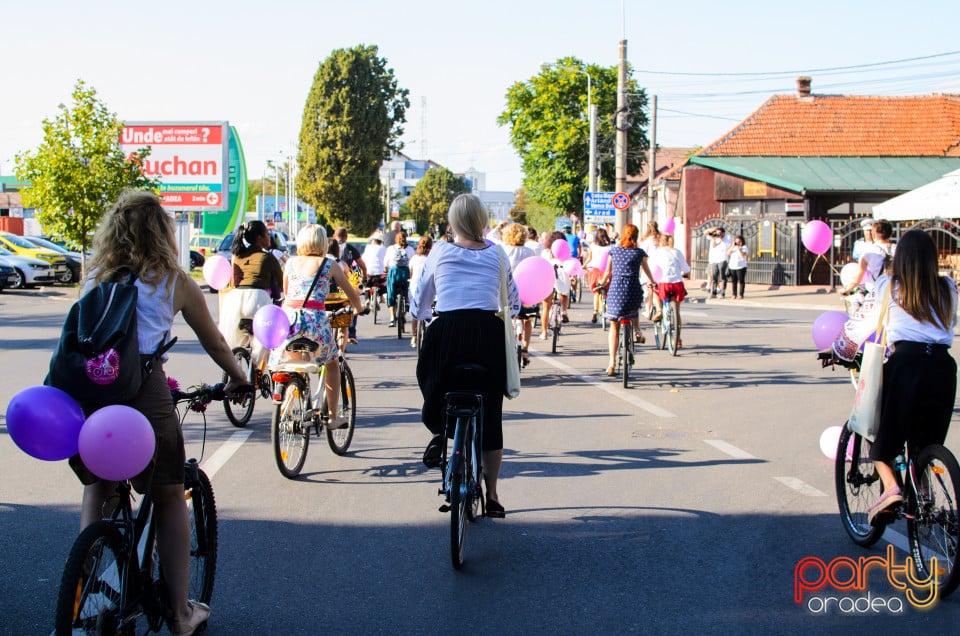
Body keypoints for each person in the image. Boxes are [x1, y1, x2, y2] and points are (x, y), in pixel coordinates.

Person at [74, 191, 248, 636]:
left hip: (89, 393)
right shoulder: (173, 281)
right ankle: (180, 614)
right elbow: (215, 343)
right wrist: (238, 378)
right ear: (163, 233)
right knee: (170, 494)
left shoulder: (95, 276)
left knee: (99, 485)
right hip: (143, 395)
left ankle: (84, 584)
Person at [832, 229, 957, 524]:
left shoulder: (889, 285)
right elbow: (948, 322)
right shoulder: (948, 287)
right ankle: (923, 498)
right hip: (942, 367)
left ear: (900, 258)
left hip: (906, 364)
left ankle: (890, 487)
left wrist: (840, 350)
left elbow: (859, 325)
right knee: (925, 445)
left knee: (880, 437)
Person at [411, 193, 519, 518]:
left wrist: (423, 312)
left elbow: (420, 299)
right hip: (487, 335)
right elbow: (512, 300)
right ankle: (494, 494)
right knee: (490, 414)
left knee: (431, 378)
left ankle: (438, 431)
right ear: (482, 220)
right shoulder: (498, 254)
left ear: (452, 222)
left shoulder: (440, 251)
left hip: (447, 332)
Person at [269, 225, 364, 428]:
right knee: (332, 363)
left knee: (293, 361)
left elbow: (288, 292)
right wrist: (358, 309)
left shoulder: (291, 263)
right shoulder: (329, 264)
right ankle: (332, 416)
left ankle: (289, 400)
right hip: (315, 320)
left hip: (288, 321)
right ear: (322, 241)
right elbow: (349, 291)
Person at [218, 220, 283, 375]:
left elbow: (234, 282)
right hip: (257, 299)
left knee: (235, 340)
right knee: (263, 339)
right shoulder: (267, 258)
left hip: (234, 300)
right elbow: (282, 284)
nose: (269, 238)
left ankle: (235, 368)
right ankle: (255, 372)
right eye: (267, 234)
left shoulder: (238, 256)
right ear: (260, 238)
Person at [598, 223, 655, 376]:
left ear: (623, 235)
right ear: (636, 236)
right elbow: (647, 270)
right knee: (634, 307)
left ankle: (611, 363)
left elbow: (607, 272)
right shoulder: (639, 253)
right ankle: (637, 330)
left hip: (616, 289)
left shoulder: (614, 251)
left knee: (614, 327)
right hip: (633, 288)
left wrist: (601, 284)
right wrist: (652, 281)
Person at [501, 223, 537, 367]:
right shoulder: (529, 252)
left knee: (506, 321)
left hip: (508, 293)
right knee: (527, 320)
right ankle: (525, 350)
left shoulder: (504, 251)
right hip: (526, 293)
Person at [650, 234, 691, 348]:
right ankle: (678, 338)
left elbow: (652, 268)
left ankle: (658, 310)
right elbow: (686, 269)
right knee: (677, 312)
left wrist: (651, 279)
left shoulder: (657, 252)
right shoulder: (677, 252)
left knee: (655, 290)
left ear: (660, 242)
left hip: (664, 284)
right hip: (677, 284)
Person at [333, 227, 367, 345]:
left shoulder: (329, 248)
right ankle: (351, 333)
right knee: (352, 304)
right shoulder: (350, 249)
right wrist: (365, 277)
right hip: (347, 283)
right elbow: (362, 265)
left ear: (334, 235)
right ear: (346, 237)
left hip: (329, 290)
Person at [844, 219, 895, 295]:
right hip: (894, 292)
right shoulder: (899, 249)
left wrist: (847, 290)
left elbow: (858, 277)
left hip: (875, 293)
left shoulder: (868, 251)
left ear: (874, 233)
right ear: (891, 234)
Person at [540, 231, 572, 336]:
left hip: (547, 277)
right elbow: (570, 265)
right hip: (562, 276)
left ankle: (544, 332)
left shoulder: (545, 252)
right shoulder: (566, 252)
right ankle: (563, 311)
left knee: (546, 307)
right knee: (564, 293)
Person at [384, 231, 415, 327]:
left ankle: (392, 318)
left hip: (394, 273)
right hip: (406, 273)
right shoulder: (410, 249)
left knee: (391, 293)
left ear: (395, 239)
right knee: (407, 295)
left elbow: (385, 264)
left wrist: (386, 270)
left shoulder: (391, 248)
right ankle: (403, 314)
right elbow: (413, 264)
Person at [409, 234, 434, 348]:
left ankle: (414, 336)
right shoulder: (432, 259)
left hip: (414, 289)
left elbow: (411, 272)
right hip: (429, 290)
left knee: (415, 312)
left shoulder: (414, 258)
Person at [584, 227, 613, 323]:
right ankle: (610, 309)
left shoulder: (593, 246)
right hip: (607, 272)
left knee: (596, 292)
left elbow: (589, 259)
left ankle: (595, 311)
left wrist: (583, 266)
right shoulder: (611, 248)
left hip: (595, 272)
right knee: (608, 291)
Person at [707, 227, 732, 298]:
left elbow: (727, 246)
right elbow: (713, 246)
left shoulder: (727, 238)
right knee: (714, 277)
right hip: (714, 260)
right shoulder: (714, 238)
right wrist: (714, 239)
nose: (718, 235)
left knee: (722, 277)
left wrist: (721, 239)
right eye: (717, 233)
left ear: (723, 233)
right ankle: (713, 292)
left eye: (720, 233)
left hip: (723, 259)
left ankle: (722, 292)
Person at [726, 234, 748, 299]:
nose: (737, 243)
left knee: (741, 281)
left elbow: (743, 255)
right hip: (732, 266)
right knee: (734, 281)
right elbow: (728, 253)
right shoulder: (733, 247)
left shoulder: (744, 247)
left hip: (741, 267)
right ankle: (734, 294)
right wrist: (733, 246)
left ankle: (741, 294)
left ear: (741, 241)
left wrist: (740, 249)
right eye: (736, 241)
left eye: (739, 241)